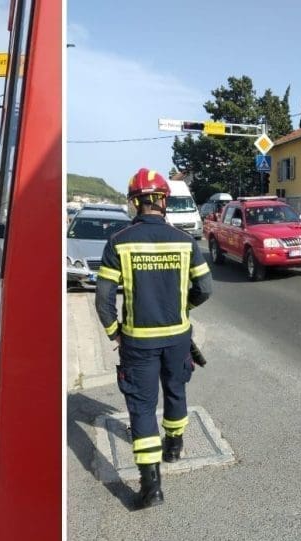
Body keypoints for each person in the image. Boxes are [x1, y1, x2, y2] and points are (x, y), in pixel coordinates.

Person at [94, 168, 213, 509]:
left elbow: (103, 300)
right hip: (177, 338)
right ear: (163, 201)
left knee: (142, 408)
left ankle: (151, 487)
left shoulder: (119, 242)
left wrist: (115, 332)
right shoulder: (185, 241)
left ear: (135, 202)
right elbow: (204, 289)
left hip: (138, 343)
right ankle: (174, 446)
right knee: (176, 391)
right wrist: (182, 307)